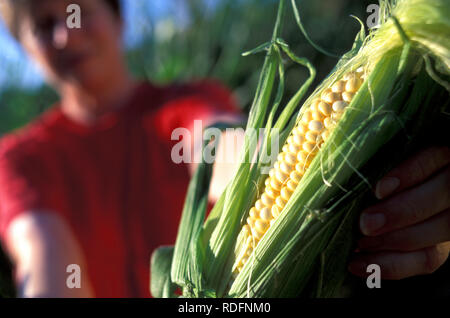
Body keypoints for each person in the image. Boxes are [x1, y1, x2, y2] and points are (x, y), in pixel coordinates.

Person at [0, 0, 448, 298]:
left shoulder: (183, 106)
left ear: (119, 19)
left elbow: (222, 145)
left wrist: (367, 178)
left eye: (77, 11)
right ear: (24, 50)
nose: (65, 33)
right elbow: (43, 253)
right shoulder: (20, 157)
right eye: (41, 25)